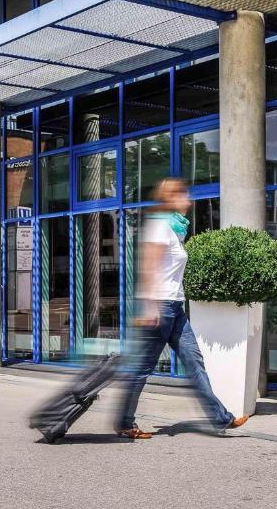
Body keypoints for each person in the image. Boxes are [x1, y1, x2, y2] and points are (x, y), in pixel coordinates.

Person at [115, 177, 249, 439]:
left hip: (175, 307)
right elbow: (149, 268)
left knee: (194, 361)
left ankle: (221, 418)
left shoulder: (175, 229)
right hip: (160, 308)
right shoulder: (159, 227)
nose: (188, 201)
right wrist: (149, 306)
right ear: (171, 198)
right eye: (184, 196)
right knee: (143, 368)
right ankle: (124, 422)